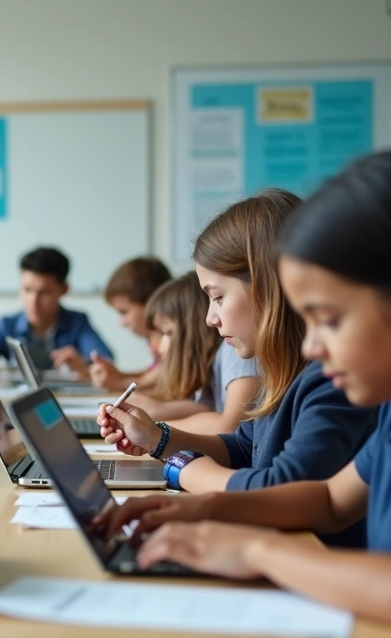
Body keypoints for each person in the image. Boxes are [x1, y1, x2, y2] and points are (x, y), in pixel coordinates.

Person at [95, 152, 391, 637]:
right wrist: (202, 507)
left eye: (329, 319)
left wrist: (254, 549)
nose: (311, 345)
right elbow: (327, 499)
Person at [97, 190, 376, 545]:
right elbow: (245, 448)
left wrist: (186, 470)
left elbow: (281, 487)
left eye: (217, 297)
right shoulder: (280, 370)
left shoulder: (331, 378)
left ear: (268, 287)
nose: (210, 318)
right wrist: (157, 438)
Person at [127, 272, 257, 433]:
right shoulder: (219, 357)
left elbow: (229, 426)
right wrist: (155, 411)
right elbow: (205, 409)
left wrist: (152, 428)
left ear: (192, 332)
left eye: (166, 332)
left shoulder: (235, 351)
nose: (160, 348)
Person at [0, 246, 112, 373]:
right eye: (27, 289)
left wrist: (83, 364)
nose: (33, 301)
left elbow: (105, 361)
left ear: (64, 289)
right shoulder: (6, 325)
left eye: (44, 292)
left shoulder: (77, 323)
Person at [91, 256, 173, 391]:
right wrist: (117, 375)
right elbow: (151, 375)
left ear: (151, 303)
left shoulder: (171, 339)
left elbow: (165, 375)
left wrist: (121, 383)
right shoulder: (153, 338)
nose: (122, 323)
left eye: (124, 312)